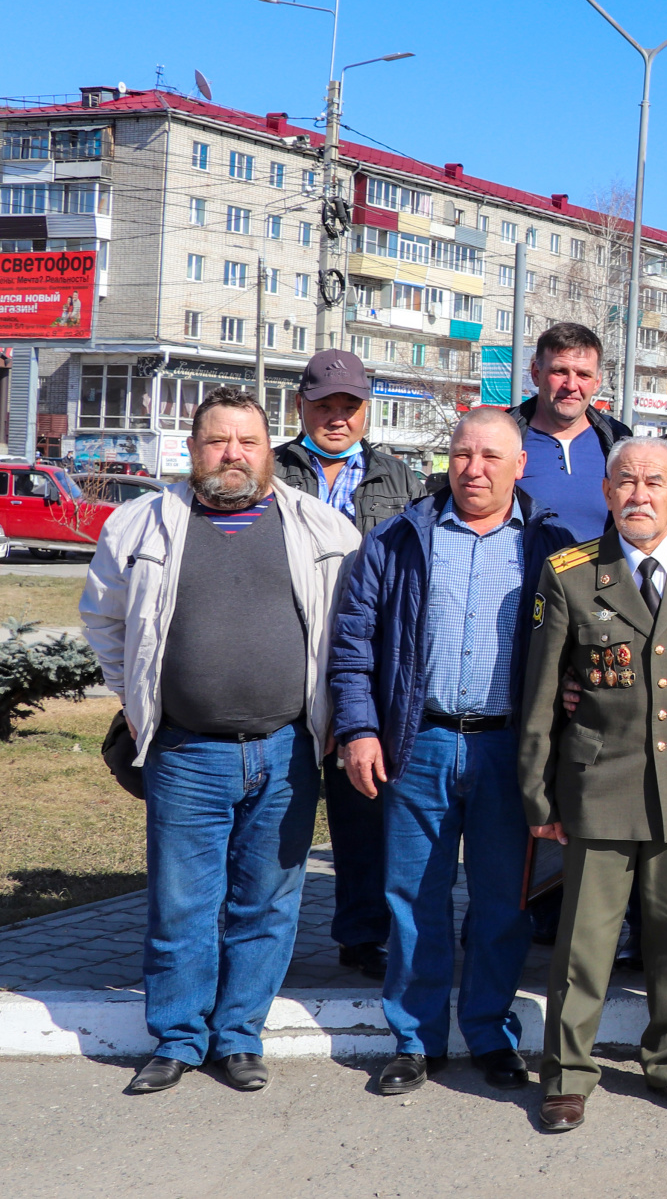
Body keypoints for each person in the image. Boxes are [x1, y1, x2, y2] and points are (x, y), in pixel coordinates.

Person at [82, 387, 360, 1095]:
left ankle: (238, 1034)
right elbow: (106, 620)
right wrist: (136, 696)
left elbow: (350, 632)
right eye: (217, 440)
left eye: (247, 441)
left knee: (266, 900)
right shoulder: (141, 525)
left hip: (285, 750)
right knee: (182, 902)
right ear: (191, 448)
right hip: (185, 750)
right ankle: (177, 1036)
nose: (232, 454)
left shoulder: (323, 528)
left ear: (270, 452)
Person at [327, 408, 573, 1095]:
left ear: (520, 465)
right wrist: (358, 727)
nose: (475, 468)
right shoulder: (400, 537)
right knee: (413, 898)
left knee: (504, 901)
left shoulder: (552, 543)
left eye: (492, 456)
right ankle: (415, 1038)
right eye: (463, 454)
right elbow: (353, 643)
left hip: (508, 751)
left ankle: (492, 1032)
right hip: (419, 742)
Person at [517, 438, 667, 1132]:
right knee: (584, 943)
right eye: (625, 482)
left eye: (654, 482)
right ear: (608, 493)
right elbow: (541, 696)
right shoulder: (572, 574)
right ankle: (567, 1072)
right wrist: (539, 794)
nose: (638, 494)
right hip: (599, 785)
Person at [272, 349, 424, 982]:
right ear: (302, 405)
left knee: (364, 806)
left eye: (349, 407)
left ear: (366, 411)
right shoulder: (270, 468)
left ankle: (363, 934)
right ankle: (259, 938)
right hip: (286, 658)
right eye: (325, 406)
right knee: (278, 811)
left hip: (366, 665)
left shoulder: (399, 478)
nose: (337, 418)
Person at [513, 323, 633, 544]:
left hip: (601, 577)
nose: (571, 385)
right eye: (559, 371)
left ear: (597, 382)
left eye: (583, 375)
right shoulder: (504, 437)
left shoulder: (618, 440)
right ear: (536, 374)